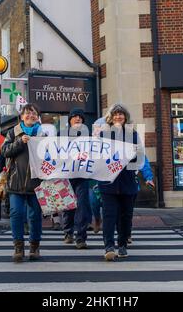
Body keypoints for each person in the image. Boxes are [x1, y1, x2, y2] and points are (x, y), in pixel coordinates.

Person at [98, 104, 142, 261]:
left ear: (125, 117)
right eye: (115, 114)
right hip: (108, 183)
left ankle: (122, 244)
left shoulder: (133, 134)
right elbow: (98, 156)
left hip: (127, 182)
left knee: (125, 216)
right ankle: (108, 246)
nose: (118, 117)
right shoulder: (104, 134)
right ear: (111, 117)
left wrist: (135, 153)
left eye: (121, 114)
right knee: (109, 216)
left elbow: (139, 158)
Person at [1, 104, 44, 262]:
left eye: (34, 113)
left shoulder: (44, 133)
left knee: (35, 217)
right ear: (21, 117)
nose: (30, 115)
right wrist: (20, 143)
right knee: (16, 214)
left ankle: (34, 247)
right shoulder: (13, 132)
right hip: (15, 182)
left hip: (37, 183)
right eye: (27, 113)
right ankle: (18, 247)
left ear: (37, 117)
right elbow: (3, 151)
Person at [61, 108, 92, 249]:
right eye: (74, 116)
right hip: (67, 175)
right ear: (70, 120)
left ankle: (81, 237)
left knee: (82, 206)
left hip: (82, 175)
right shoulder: (61, 135)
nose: (77, 119)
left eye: (80, 117)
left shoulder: (89, 136)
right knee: (68, 205)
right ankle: (68, 232)